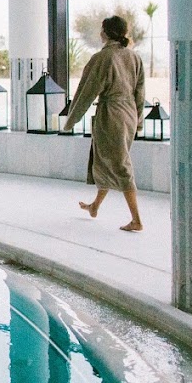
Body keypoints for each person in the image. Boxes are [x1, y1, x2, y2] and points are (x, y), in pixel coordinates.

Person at [62, 15, 146, 231]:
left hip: (112, 115)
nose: (100, 33)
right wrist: (138, 120)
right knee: (107, 160)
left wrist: (70, 120)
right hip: (129, 114)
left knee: (119, 164)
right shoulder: (134, 57)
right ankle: (95, 206)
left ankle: (136, 220)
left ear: (107, 33)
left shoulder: (103, 58)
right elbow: (140, 93)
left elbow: (86, 91)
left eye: (102, 30)